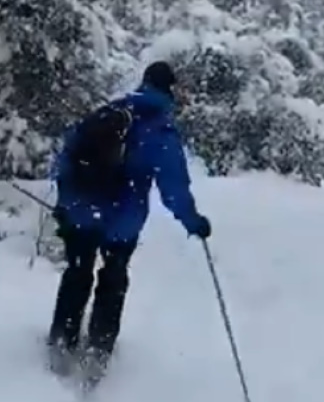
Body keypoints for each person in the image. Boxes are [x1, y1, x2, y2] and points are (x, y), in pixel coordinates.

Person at [46, 61, 211, 378]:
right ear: (170, 90)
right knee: (113, 278)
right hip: (122, 222)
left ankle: (61, 345)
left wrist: (66, 203)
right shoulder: (160, 130)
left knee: (77, 273)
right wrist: (194, 222)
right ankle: (98, 351)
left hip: (82, 212)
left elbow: (66, 157)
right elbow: (173, 189)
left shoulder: (111, 112)